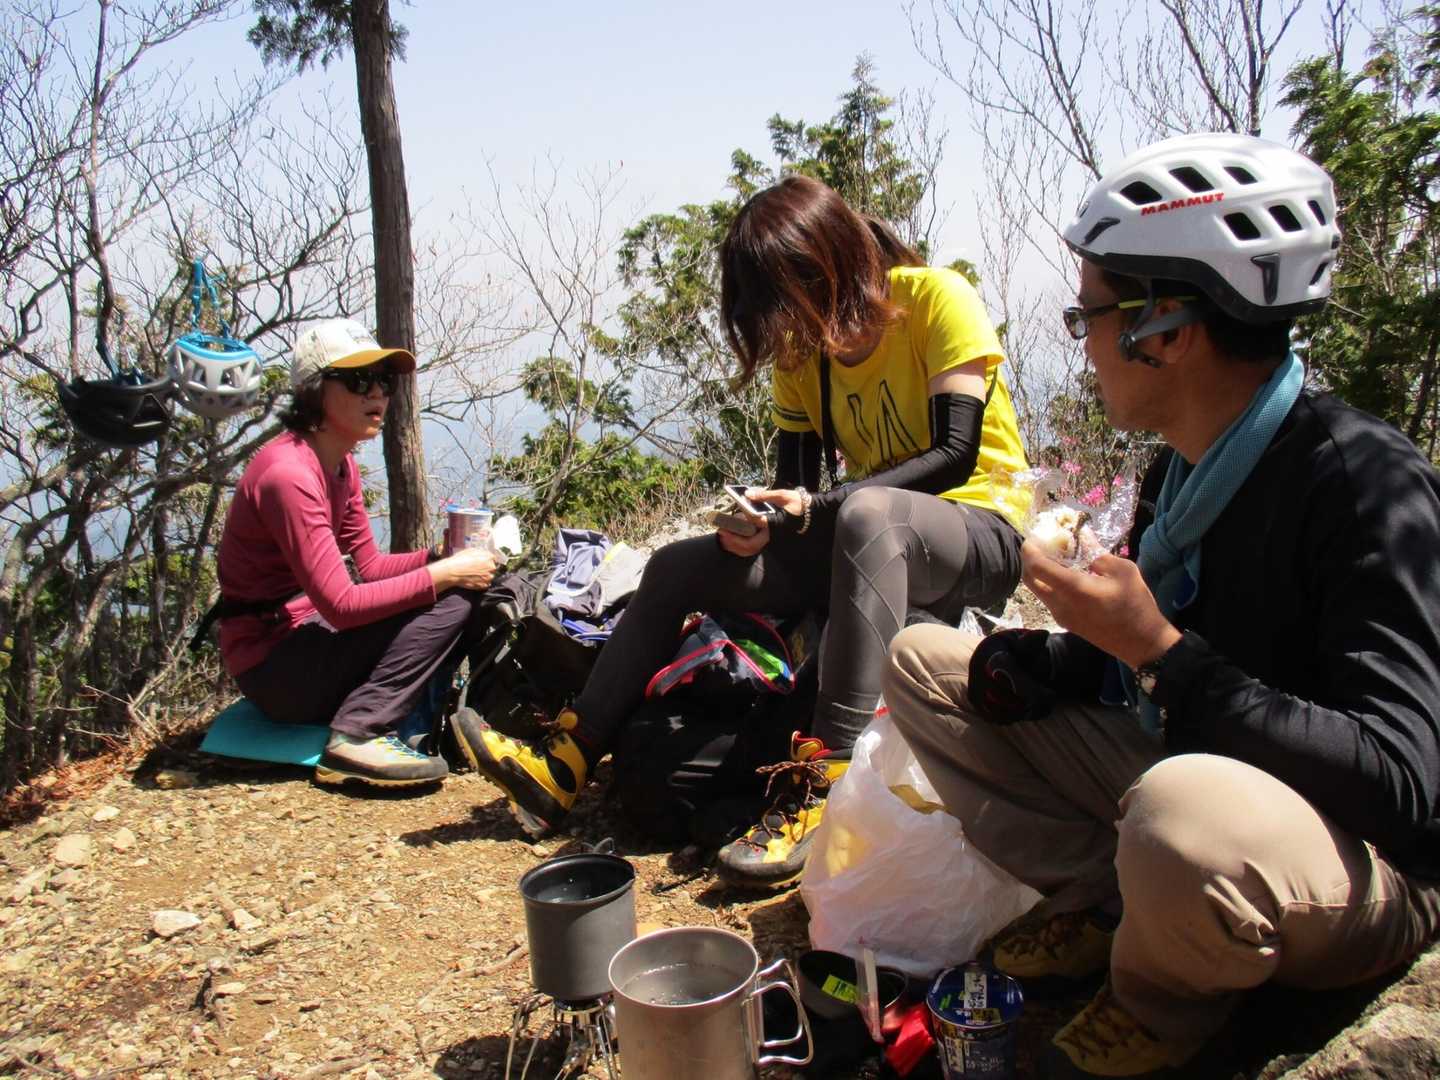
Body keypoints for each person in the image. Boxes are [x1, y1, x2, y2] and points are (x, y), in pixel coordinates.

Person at [883, 132, 1440, 1078]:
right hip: (1199, 778)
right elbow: (1160, 663)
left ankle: (1161, 1004)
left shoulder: (1360, 485)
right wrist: (1050, 658)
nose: (1084, 345)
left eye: (1088, 315)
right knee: (925, 663)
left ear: (1166, 329)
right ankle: (1109, 906)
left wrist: (1160, 653)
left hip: (1359, 861)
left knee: (1181, 812)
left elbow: (1403, 788)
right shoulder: (1182, 474)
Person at [454, 175, 1030, 883]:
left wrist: (817, 508)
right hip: (867, 541)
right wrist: (763, 523)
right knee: (677, 566)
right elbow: (801, 493)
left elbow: (956, 454)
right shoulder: (804, 357)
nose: (782, 326)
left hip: (979, 532)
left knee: (866, 512)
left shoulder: (936, 298)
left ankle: (825, 785)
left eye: (782, 300)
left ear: (826, 267)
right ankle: (566, 760)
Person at [215, 318, 498, 787]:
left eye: (383, 381)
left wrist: (440, 556)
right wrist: (448, 574)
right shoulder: (289, 475)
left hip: (308, 639)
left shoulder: (339, 463)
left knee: (469, 589)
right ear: (313, 390)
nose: (378, 394)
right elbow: (343, 605)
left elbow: (371, 567)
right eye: (359, 380)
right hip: (275, 668)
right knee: (453, 597)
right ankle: (358, 734)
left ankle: (429, 712)